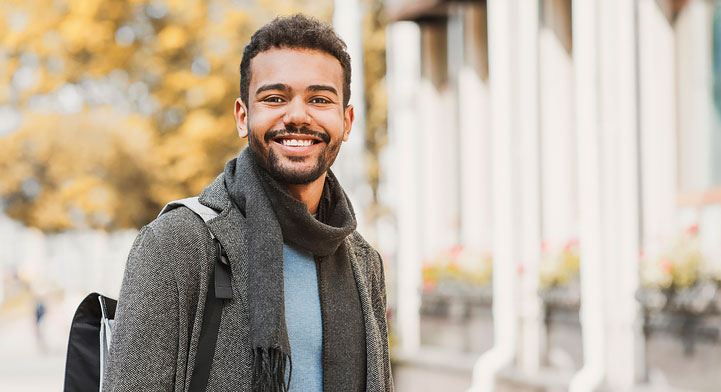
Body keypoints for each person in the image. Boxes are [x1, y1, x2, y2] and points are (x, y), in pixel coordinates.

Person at [103, 14, 393, 392]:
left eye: (320, 99)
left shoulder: (363, 262)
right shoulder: (176, 244)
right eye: (275, 98)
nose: (298, 115)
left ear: (347, 120)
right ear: (243, 117)